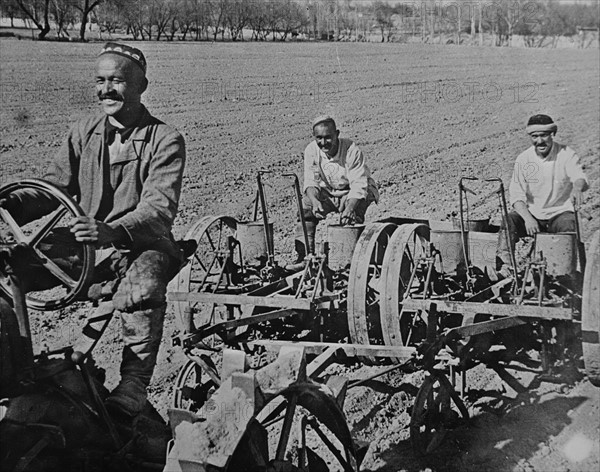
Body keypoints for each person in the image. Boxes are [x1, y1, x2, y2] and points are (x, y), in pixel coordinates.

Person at [0, 42, 186, 417]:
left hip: (139, 245)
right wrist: (10, 205)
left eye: (117, 80)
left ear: (141, 86)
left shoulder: (165, 139)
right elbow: (51, 188)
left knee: (143, 287)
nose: (106, 90)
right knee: (8, 267)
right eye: (100, 81)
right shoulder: (84, 131)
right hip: (81, 244)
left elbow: (157, 210)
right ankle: (15, 371)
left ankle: (134, 384)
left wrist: (111, 231)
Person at [496, 114, 588, 275]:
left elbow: (579, 177)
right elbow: (516, 195)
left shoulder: (566, 154)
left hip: (559, 214)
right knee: (509, 220)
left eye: (544, 135)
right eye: (534, 136)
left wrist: (577, 188)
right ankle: (506, 268)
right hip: (533, 216)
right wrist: (528, 218)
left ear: (552, 134)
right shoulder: (524, 159)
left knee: (569, 224)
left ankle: (564, 274)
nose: (539, 141)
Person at [292, 115, 379, 266]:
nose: (323, 142)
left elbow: (358, 185)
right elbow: (311, 181)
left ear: (337, 134)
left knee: (350, 219)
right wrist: (314, 201)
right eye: (319, 138)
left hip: (351, 190)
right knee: (305, 208)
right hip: (329, 190)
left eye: (328, 137)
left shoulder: (351, 150)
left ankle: (349, 261)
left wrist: (350, 208)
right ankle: (305, 256)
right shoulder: (311, 150)